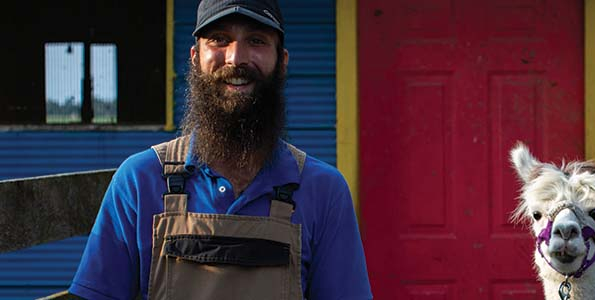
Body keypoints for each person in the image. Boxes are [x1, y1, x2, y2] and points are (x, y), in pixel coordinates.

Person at [68, 0, 372, 299]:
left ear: (282, 62)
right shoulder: (139, 180)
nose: (236, 58)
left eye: (256, 40)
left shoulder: (323, 190)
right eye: (219, 39)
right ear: (194, 57)